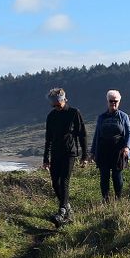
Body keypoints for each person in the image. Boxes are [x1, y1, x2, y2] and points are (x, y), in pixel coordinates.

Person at [42, 87, 87, 222]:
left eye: (58, 104)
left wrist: (85, 156)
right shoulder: (51, 116)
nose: (56, 107)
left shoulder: (74, 113)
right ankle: (68, 209)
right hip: (56, 153)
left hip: (70, 153)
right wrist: (46, 158)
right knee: (55, 183)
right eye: (53, 105)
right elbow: (48, 138)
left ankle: (61, 212)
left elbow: (82, 135)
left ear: (64, 100)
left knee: (64, 181)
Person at [91, 89, 130, 201]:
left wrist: (127, 147)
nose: (113, 103)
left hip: (118, 151)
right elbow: (97, 134)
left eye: (115, 101)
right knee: (104, 177)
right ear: (107, 102)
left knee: (117, 176)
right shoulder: (101, 117)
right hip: (103, 151)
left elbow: (129, 133)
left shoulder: (123, 117)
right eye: (111, 101)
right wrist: (93, 152)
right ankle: (105, 199)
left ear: (119, 102)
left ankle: (118, 198)